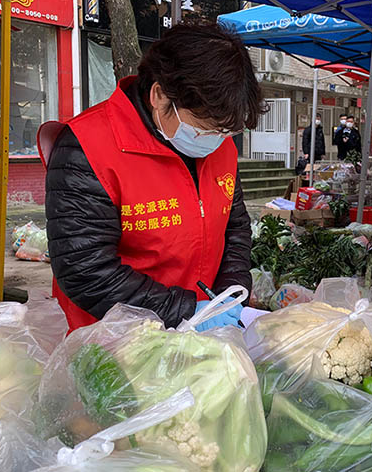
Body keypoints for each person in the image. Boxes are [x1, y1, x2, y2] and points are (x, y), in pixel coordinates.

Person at [38, 23, 266, 332]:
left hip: (201, 335)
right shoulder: (86, 147)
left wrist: (231, 290)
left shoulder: (220, 145)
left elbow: (235, 227)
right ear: (159, 94)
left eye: (225, 130)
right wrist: (184, 311)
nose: (214, 138)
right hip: (113, 344)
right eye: (204, 126)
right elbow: (84, 268)